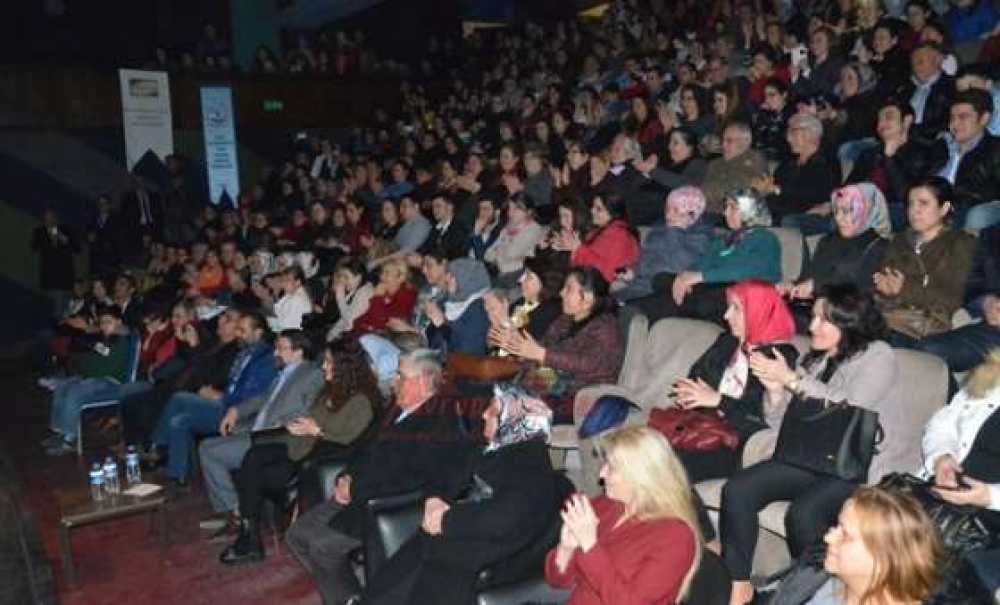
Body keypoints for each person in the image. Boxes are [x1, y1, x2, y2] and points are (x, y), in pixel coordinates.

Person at [724, 285, 900, 604]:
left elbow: (850, 408)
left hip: (851, 467)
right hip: (810, 455)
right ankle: (738, 584)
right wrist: (776, 391)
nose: (811, 326)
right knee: (738, 488)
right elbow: (783, 423)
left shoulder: (879, 355)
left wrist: (791, 379)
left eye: (823, 320)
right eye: (814, 317)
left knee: (804, 513)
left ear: (848, 323)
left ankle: (815, 593)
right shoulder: (817, 361)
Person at [285, 349, 476, 605]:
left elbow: (415, 478)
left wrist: (357, 488)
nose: (394, 381)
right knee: (296, 535)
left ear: (422, 381)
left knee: (322, 547)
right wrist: (347, 476)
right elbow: (362, 448)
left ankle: (351, 599)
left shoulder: (440, 422)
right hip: (356, 492)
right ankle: (349, 594)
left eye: (401, 375)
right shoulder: (395, 408)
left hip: (382, 506)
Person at [361, 386, 560, 604]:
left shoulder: (530, 466)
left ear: (513, 422)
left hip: (476, 558)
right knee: (387, 584)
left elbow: (503, 517)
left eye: (493, 412)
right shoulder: (494, 446)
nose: (484, 414)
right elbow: (448, 472)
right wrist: (434, 499)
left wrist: (445, 520)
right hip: (447, 539)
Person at [219, 343, 380, 565]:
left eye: (329, 362)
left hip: (317, 457)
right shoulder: (330, 391)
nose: (324, 367)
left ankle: (250, 538)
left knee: (253, 475)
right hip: (301, 446)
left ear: (344, 367)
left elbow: (350, 438)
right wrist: (303, 426)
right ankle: (249, 535)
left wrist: (316, 430)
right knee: (254, 456)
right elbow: (314, 418)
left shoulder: (361, 400)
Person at [545, 426, 701, 604]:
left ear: (639, 477)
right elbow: (558, 582)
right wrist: (566, 548)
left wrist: (590, 545)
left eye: (611, 468)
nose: (602, 474)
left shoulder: (674, 537)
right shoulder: (604, 506)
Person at [668, 281, 799, 484]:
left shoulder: (778, 357)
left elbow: (760, 415)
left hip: (737, 443)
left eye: (736, 308)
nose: (726, 315)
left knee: (668, 467)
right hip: (704, 426)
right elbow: (697, 376)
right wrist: (691, 393)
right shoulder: (728, 341)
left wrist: (719, 401)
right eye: (728, 307)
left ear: (758, 311)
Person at [196, 330, 323, 540]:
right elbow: (263, 398)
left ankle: (237, 515)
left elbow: (310, 410)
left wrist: (280, 424)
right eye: (276, 347)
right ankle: (232, 510)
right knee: (210, 445)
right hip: (257, 429)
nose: (276, 352)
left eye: (281, 348)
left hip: (275, 437)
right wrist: (236, 410)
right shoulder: (284, 372)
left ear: (299, 352)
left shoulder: (311, 374)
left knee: (209, 451)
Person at [144, 310, 277, 488]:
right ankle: (178, 475)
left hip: (238, 411)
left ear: (258, 333)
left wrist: (222, 397)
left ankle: (157, 446)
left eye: (242, 330)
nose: (238, 334)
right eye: (237, 329)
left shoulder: (264, 360)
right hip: (225, 402)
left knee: (179, 398)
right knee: (179, 420)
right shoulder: (245, 351)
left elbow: (252, 396)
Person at [626, 189, 781, 326]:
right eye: (726, 207)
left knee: (695, 298)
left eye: (732, 208)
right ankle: (629, 309)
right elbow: (700, 263)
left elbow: (746, 270)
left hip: (741, 295)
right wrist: (684, 277)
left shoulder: (764, 238)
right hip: (709, 290)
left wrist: (700, 276)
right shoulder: (723, 241)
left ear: (750, 211)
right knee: (663, 280)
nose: (725, 213)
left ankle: (629, 308)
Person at [768, 487, 947, 605]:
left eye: (845, 535)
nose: (828, 537)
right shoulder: (822, 580)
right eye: (837, 525)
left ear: (884, 558)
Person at [491, 267, 624, 422]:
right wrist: (516, 346)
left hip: (582, 398)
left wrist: (541, 354)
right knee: (491, 390)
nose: (561, 293)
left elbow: (590, 363)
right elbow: (542, 349)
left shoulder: (606, 327)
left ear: (587, 297)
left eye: (568, 289)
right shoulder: (565, 320)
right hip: (552, 385)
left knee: (501, 402)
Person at [922, 350, 1000, 593]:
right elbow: (943, 424)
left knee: (927, 557)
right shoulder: (991, 375)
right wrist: (942, 457)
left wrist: (989, 496)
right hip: (945, 490)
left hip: (992, 515)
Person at [875, 178, 976, 346]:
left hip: (920, 327)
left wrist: (903, 288)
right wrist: (884, 286)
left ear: (944, 208)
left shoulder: (960, 244)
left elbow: (951, 298)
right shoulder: (900, 240)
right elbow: (885, 279)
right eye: (911, 204)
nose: (915, 210)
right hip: (888, 315)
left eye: (923, 203)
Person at [778, 184, 890, 313]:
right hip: (815, 311)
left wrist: (816, 286)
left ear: (867, 211)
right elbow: (807, 276)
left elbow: (859, 289)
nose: (839, 218)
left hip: (847, 320)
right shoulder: (827, 241)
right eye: (836, 211)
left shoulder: (879, 246)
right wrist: (792, 286)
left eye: (847, 211)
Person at [42, 306, 132, 455]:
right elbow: (89, 361)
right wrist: (88, 366)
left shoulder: (122, 341)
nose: (104, 325)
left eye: (108, 322)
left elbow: (108, 368)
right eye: (102, 322)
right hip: (94, 379)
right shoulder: (103, 339)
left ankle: (69, 438)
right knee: (61, 387)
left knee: (75, 391)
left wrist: (89, 368)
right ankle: (59, 432)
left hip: (111, 382)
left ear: (118, 322)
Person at [613, 186, 714, 307]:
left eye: (675, 210)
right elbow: (647, 258)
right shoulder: (660, 228)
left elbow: (679, 266)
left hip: (660, 293)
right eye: (667, 209)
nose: (668, 215)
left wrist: (676, 231)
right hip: (639, 287)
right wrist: (633, 271)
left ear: (692, 215)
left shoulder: (701, 237)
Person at [847, 99, 938, 228]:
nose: (881, 124)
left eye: (888, 118)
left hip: (897, 210)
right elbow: (849, 185)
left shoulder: (922, 152)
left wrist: (890, 158)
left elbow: (906, 195)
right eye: (879, 120)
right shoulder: (869, 154)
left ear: (906, 121)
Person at [753, 114, 841, 234]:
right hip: (775, 210)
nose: (788, 139)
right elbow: (773, 186)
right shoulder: (788, 164)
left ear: (811, 134)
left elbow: (815, 195)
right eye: (788, 133)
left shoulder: (827, 162)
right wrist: (763, 190)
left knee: (787, 221)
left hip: (802, 216)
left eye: (793, 133)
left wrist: (777, 189)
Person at [930, 89, 1000, 230]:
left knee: (976, 216)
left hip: (971, 207)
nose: (954, 124)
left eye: (963, 117)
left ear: (984, 118)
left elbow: (992, 191)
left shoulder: (995, 148)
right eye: (952, 118)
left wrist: (951, 201)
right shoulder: (940, 148)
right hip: (934, 206)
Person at [564, 192, 639, 285]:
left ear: (613, 212)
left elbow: (608, 273)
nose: (592, 211)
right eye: (593, 206)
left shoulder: (620, 236)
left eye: (598, 209)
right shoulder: (599, 231)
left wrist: (579, 249)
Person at [423, 258, 491, 356]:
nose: (446, 279)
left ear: (466, 281)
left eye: (452, 276)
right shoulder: (453, 303)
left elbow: (467, 354)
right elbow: (432, 337)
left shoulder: (478, 310)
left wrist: (442, 324)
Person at [700, 122, 769, 216]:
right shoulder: (715, 164)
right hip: (707, 213)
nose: (723, 145)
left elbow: (746, 190)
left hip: (737, 217)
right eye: (723, 140)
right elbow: (704, 190)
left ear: (745, 142)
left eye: (729, 141)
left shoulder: (754, 160)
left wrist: (709, 192)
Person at [483, 193, 545, 287]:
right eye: (510, 208)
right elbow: (487, 254)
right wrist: (502, 255)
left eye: (516, 209)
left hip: (517, 277)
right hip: (500, 274)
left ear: (528, 212)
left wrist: (499, 253)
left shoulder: (534, 230)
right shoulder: (507, 228)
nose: (510, 212)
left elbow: (510, 254)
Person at [31, 209, 79, 320]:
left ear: (56, 218)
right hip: (50, 274)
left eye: (51, 217)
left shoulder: (66, 230)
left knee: (66, 305)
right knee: (53, 305)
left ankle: (64, 326)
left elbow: (77, 248)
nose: (48, 220)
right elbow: (34, 248)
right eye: (46, 218)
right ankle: (55, 326)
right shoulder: (39, 231)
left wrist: (62, 237)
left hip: (65, 273)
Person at [349, 258, 417, 336]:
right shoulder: (384, 292)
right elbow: (364, 317)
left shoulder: (407, 296)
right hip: (361, 333)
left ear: (401, 278)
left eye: (387, 273)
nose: (381, 277)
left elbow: (384, 322)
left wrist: (377, 298)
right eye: (382, 273)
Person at [267, 266, 313, 332]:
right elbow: (278, 312)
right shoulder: (291, 294)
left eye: (287, 280)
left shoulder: (297, 299)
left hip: (294, 335)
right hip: (286, 329)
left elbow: (286, 325)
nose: (283, 284)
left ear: (298, 282)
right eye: (282, 280)